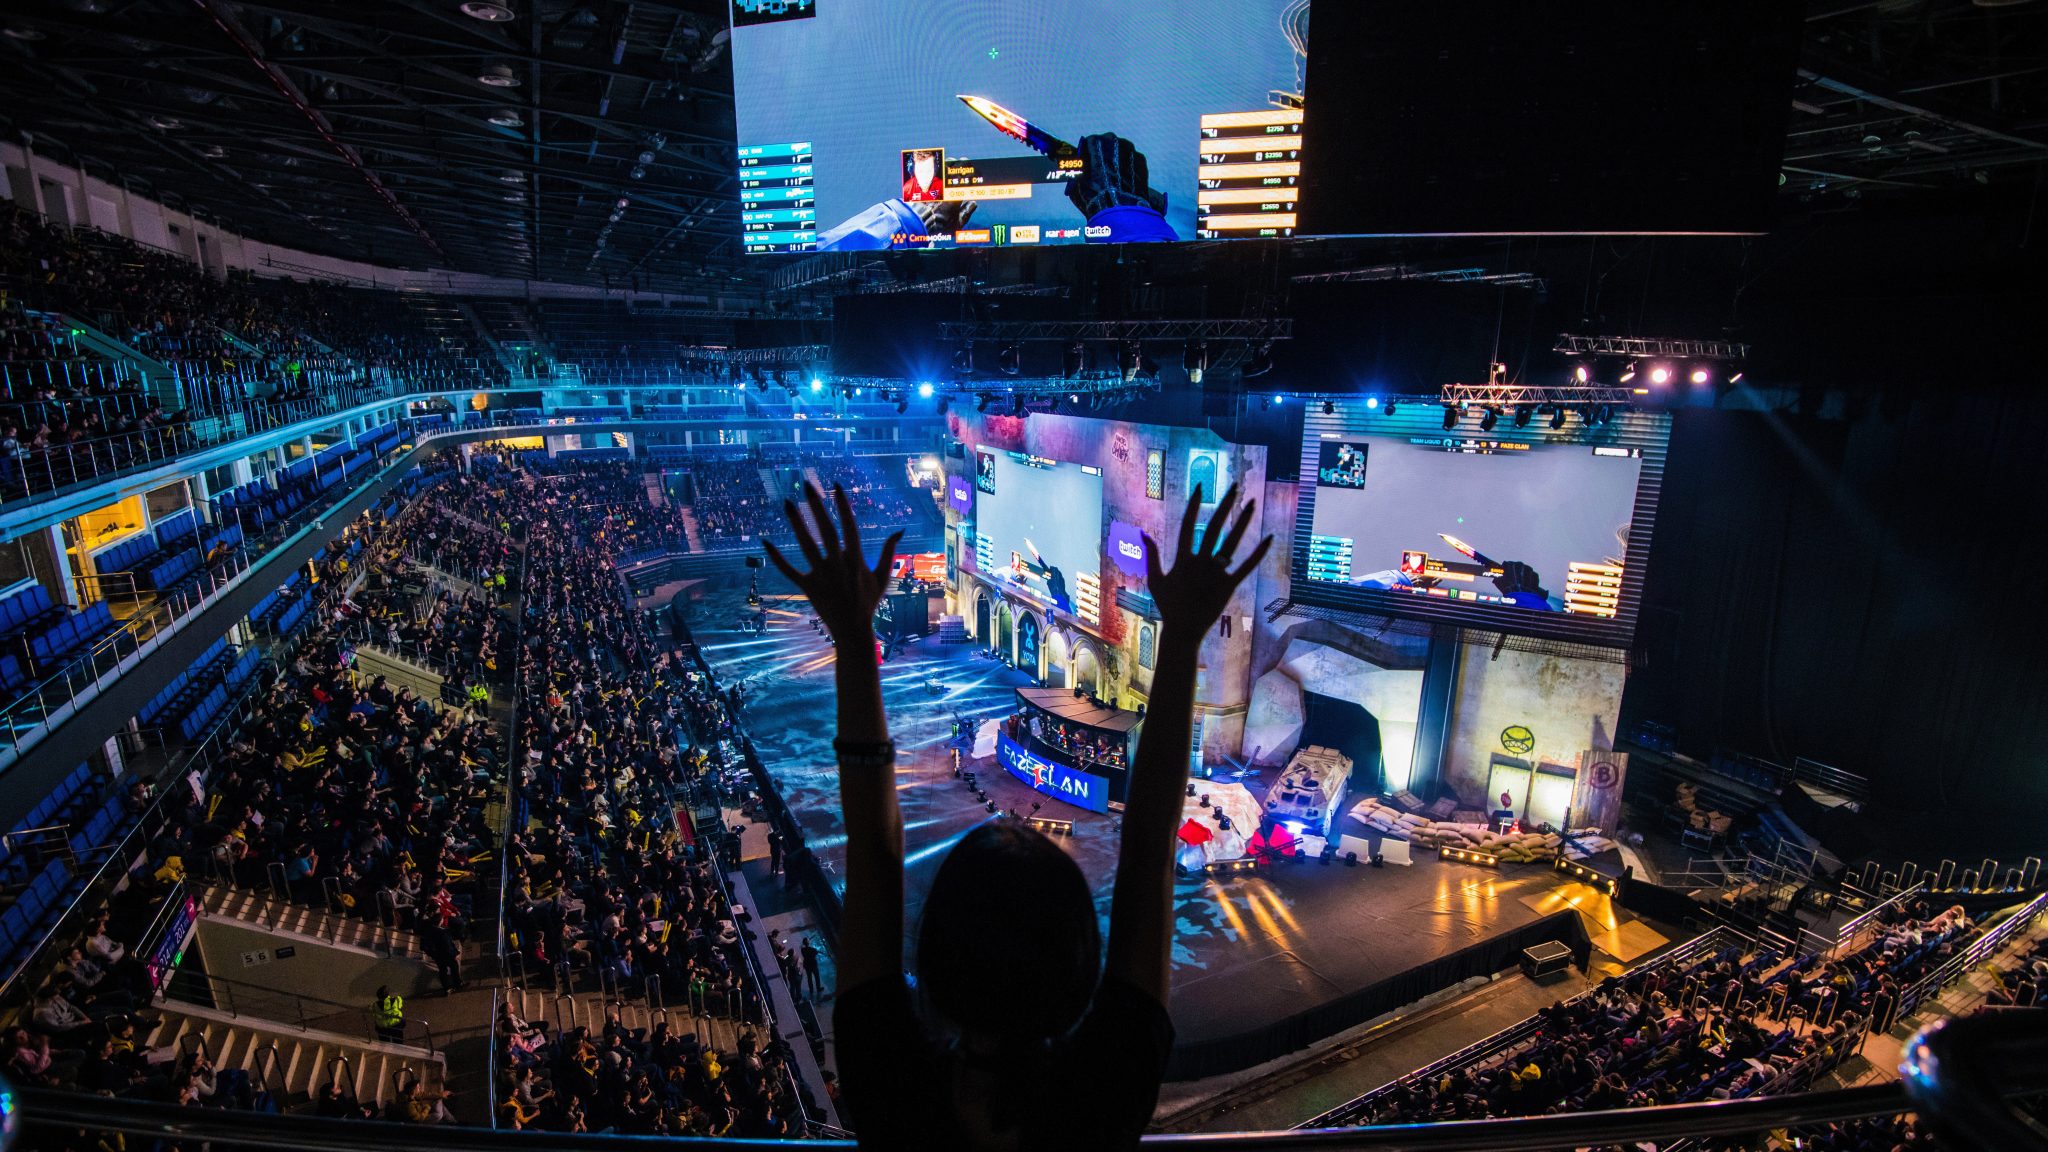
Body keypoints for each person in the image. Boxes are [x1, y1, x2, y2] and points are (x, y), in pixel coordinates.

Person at [764, 481, 1269, 1150]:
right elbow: (1150, 855)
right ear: (1081, 970)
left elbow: (875, 849)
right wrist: (1182, 642)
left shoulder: (895, 1092)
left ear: (931, 966)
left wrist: (854, 639)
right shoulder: (1098, 1100)